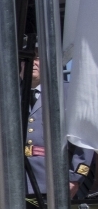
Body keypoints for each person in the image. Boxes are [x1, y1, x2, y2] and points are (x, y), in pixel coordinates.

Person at [23, 56, 93, 205]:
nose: (32, 63)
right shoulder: (9, 95)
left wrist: (75, 178)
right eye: (26, 58)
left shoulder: (69, 92)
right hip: (17, 181)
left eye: (37, 58)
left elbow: (84, 137)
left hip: (55, 179)